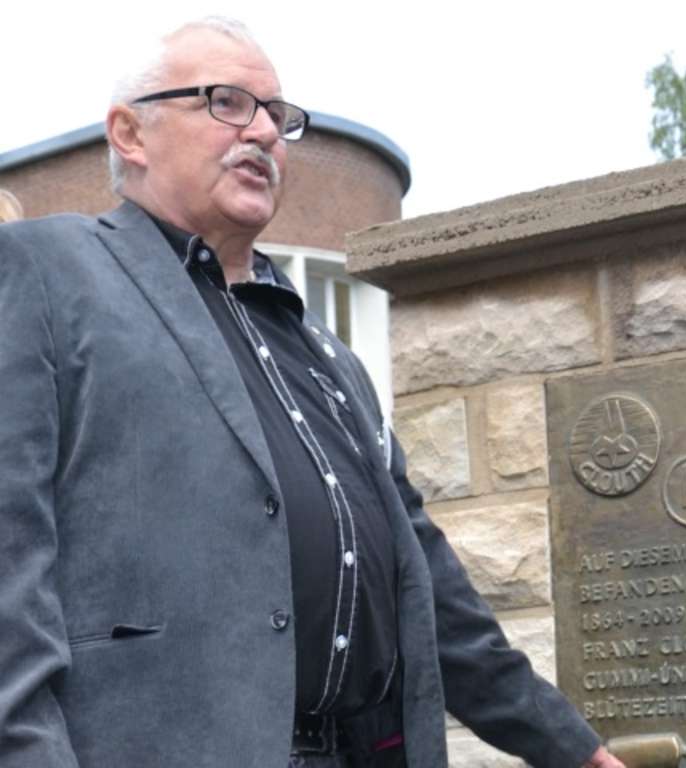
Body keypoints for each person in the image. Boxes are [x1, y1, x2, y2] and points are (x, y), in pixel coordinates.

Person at [0, 17, 623, 768]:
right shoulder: (45, 272)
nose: (264, 132)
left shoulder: (328, 355)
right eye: (227, 102)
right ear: (130, 133)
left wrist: (573, 749)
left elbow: (427, 589)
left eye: (276, 114)